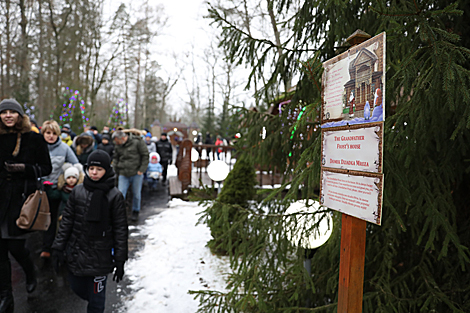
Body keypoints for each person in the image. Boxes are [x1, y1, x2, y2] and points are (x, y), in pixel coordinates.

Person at [52, 150, 128, 313]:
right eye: (91, 168)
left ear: (107, 170)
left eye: (99, 169)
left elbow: (120, 229)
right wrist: (58, 247)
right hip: (77, 252)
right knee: (76, 286)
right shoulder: (78, 191)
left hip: (100, 256)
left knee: (96, 302)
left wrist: (120, 259)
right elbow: (67, 221)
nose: (94, 172)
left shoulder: (114, 196)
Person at [0, 99, 52, 311]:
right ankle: (6, 296)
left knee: (16, 247)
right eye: (4, 112)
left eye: (13, 112)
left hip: (21, 201)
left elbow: (46, 168)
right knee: (0, 250)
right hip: (0, 200)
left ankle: (30, 272)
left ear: (20, 116)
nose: (8, 115)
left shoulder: (34, 139)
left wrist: (25, 168)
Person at [40, 120, 80, 259]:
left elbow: (76, 165)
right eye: (48, 133)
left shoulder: (64, 148)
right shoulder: (37, 146)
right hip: (39, 188)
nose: (51, 136)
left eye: (54, 133)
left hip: (57, 189)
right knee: (39, 218)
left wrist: (67, 179)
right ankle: (45, 245)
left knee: (56, 219)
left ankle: (54, 248)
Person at [112, 130, 149, 221]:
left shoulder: (137, 142)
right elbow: (116, 158)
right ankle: (119, 213)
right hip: (123, 172)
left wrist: (142, 170)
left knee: (136, 194)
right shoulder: (118, 145)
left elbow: (145, 155)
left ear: (123, 138)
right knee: (120, 194)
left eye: (118, 141)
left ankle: (135, 211)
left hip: (136, 172)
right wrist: (115, 169)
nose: (117, 143)